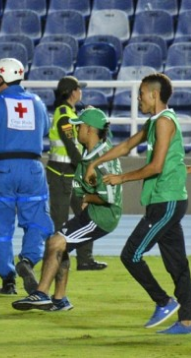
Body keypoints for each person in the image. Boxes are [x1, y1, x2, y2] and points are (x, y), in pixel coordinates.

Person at [84, 73, 191, 334]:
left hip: (166, 201)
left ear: (154, 95)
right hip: (164, 200)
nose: (138, 98)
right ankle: (187, 320)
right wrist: (95, 162)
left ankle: (164, 302)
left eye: (141, 93)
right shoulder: (155, 122)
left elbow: (155, 167)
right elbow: (127, 145)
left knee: (131, 254)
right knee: (176, 263)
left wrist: (122, 178)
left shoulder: (164, 123)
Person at [12, 108, 122, 312]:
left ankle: (41, 293)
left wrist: (88, 198)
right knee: (60, 243)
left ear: (89, 129)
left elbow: (111, 197)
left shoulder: (100, 158)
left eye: (78, 126)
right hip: (94, 213)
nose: (75, 129)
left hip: (101, 216)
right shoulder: (93, 149)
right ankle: (60, 299)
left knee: (56, 242)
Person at [0, 58, 54, 295]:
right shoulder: (38, 103)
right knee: (37, 221)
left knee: (1, 229)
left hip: (1, 170)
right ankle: (29, 260)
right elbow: (44, 130)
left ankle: (8, 280)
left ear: (0, 78)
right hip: (32, 169)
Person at [47, 76, 108, 271]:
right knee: (60, 218)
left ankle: (85, 259)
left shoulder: (71, 113)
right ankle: (57, 258)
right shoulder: (64, 114)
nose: (80, 92)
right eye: (79, 89)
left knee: (84, 214)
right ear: (73, 92)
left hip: (70, 173)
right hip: (61, 173)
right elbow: (70, 146)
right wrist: (84, 167)